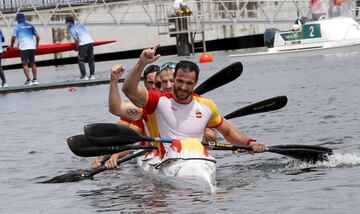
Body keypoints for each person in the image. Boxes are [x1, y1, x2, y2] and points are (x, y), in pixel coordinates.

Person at [122, 44, 266, 157]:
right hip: (167, 159)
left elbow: (227, 132)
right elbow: (128, 90)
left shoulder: (207, 105)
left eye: (189, 83)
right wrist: (141, 63)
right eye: (180, 81)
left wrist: (250, 143)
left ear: (195, 83)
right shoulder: (157, 100)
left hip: (199, 158)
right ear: (174, 80)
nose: (183, 87)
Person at [10, 13, 39, 86]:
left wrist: (12, 45)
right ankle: (35, 80)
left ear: (17, 20)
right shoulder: (31, 26)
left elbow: (13, 38)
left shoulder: (17, 27)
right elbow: (37, 36)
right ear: (24, 19)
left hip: (24, 47)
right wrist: (37, 45)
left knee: (25, 64)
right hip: (32, 47)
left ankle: (28, 80)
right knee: (33, 63)